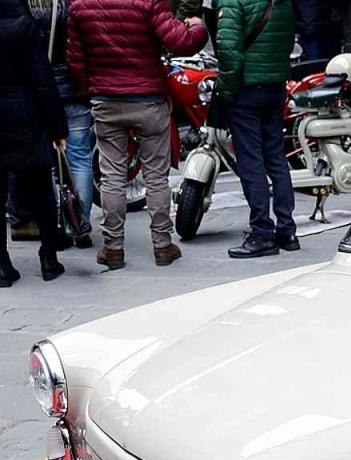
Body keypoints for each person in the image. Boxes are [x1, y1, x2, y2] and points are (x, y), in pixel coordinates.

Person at [66, 0, 205, 270]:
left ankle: (113, 248)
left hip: (105, 98)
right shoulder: (150, 1)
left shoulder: (80, 4)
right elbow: (180, 42)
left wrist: (89, 90)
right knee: (156, 176)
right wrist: (198, 28)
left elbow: (76, 58)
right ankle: (162, 245)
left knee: (111, 176)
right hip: (148, 98)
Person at [215, 0, 299, 257]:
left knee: (251, 161)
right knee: (276, 157)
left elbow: (228, 50)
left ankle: (262, 232)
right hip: (275, 85)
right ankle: (287, 229)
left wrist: (226, 90)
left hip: (247, 87)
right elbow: (288, 40)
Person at [0, 0, 69, 284]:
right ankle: (48, 257)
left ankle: (2, 265)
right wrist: (58, 128)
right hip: (26, 116)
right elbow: (43, 81)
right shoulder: (24, 27)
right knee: (40, 189)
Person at [29, 0, 94, 249]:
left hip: (40, 96)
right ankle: (80, 225)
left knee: (47, 165)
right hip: (73, 90)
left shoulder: (27, 10)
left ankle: (57, 227)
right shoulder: (73, 6)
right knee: (80, 159)